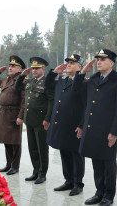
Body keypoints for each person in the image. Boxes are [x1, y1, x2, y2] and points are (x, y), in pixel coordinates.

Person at [73, 49, 117, 206]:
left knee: (108, 163)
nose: (98, 62)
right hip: (92, 129)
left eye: (103, 60)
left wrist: (115, 132)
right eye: (98, 59)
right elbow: (77, 89)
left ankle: (109, 195)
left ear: (111, 63)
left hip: (107, 131)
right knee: (96, 161)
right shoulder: (93, 79)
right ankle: (99, 192)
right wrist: (83, 71)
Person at [44, 54, 86, 196]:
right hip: (61, 125)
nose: (68, 64)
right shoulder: (62, 81)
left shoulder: (82, 83)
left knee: (76, 156)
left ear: (79, 67)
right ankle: (68, 181)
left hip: (74, 126)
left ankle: (78, 184)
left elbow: (86, 106)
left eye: (73, 63)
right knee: (64, 153)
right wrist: (53, 73)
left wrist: (81, 125)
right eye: (68, 62)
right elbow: (48, 87)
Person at [15, 57, 54, 185]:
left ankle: (43, 173)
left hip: (41, 121)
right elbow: (17, 86)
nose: (34, 70)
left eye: (37, 68)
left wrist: (47, 119)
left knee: (42, 148)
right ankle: (36, 171)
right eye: (33, 68)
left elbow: (50, 102)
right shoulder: (30, 81)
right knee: (32, 148)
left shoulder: (47, 83)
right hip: (29, 120)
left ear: (43, 69)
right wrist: (22, 75)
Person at [0, 55, 26, 175]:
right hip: (3, 113)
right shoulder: (6, 79)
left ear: (20, 69)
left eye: (14, 66)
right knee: (6, 140)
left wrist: (20, 117)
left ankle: (15, 166)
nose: (10, 68)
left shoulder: (21, 80)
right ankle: (8, 164)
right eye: (10, 66)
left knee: (15, 142)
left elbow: (24, 100)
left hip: (13, 113)